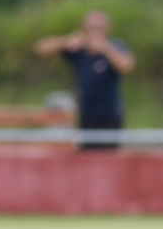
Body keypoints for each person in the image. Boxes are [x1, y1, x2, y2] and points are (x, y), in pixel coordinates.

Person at [34, 10, 135, 147]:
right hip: (85, 115)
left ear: (107, 29)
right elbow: (41, 48)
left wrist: (105, 48)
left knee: (110, 160)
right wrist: (66, 42)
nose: (95, 31)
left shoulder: (115, 46)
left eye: (99, 27)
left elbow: (126, 66)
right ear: (85, 28)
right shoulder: (79, 50)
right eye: (92, 27)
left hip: (110, 116)